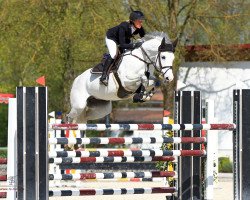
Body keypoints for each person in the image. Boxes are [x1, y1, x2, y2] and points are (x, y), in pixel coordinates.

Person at [100, 11, 146, 86]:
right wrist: (135, 45)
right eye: (139, 20)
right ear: (133, 20)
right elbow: (122, 45)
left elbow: (144, 37)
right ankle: (104, 76)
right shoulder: (123, 26)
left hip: (124, 39)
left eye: (141, 20)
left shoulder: (139, 27)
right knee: (113, 54)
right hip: (111, 38)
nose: (141, 22)